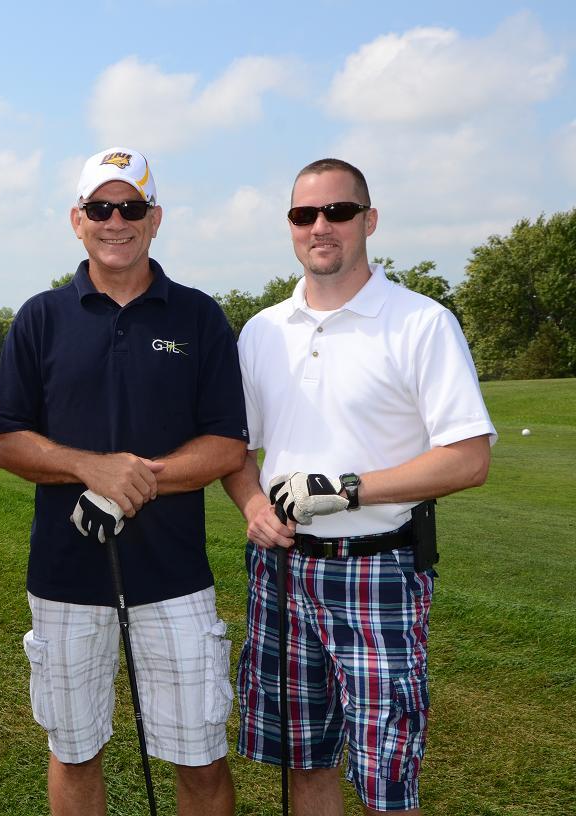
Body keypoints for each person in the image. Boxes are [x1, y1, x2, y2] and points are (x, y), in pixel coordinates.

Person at [221, 158, 495, 815]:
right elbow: (236, 451)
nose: (321, 226)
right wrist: (255, 504)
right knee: (303, 762)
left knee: (385, 777)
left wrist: (346, 490)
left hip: (381, 568)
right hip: (282, 569)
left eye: (338, 212)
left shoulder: (420, 322)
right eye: (304, 215)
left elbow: (467, 457)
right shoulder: (262, 331)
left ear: (368, 221)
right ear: (290, 227)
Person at [0, 147, 247, 816]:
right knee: (75, 753)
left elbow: (226, 443)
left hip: (175, 578)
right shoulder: (41, 317)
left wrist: (135, 480)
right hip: (67, 580)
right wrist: (89, 468)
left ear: (155, 218)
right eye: (101, 208)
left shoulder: (198, 317)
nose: (115, 221)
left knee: (202, 757)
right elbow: (5, 442)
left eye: (131, 207)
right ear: (78, 220)